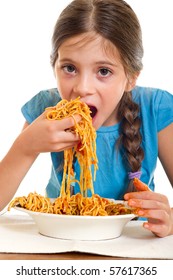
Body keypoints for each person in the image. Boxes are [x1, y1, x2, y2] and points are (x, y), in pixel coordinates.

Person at [0, 0, 173, 238]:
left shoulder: (155, 108)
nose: (82, 88)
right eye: (69, 68)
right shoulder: (47, 108)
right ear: (54, 67)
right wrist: (25, 147)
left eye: (104, 71)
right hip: (58, 238)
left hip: (135, 241)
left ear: (131, 77)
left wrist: (170, 219)